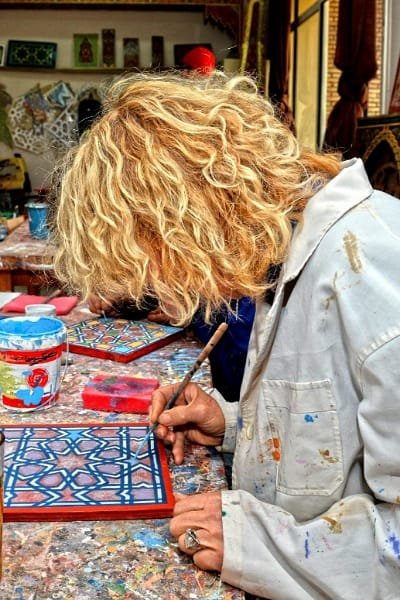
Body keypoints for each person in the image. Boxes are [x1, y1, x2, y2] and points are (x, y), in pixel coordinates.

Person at [52, 71, 400, 599]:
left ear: (188, 220)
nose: (170, 290)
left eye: (159, 262)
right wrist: (234, 426)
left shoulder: (373, 268)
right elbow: (337, 429)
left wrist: (263, 545)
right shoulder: (289, 253)